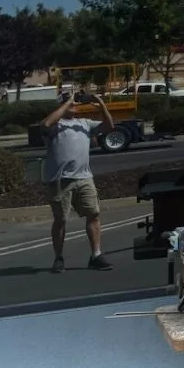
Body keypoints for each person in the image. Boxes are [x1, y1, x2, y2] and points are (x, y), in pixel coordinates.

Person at [41, 91, 115, 273]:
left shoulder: (85, 124)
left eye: (74, 102)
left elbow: (109, 126)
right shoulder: (56, 125)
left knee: (94, 214)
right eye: (69, 102)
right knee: (61, 219)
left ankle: (96, 255)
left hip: (84, 177)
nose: (74, 104)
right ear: (61, 105)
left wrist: (100, 104)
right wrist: (67, 102)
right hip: (60, 180)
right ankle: (59, 258)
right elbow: (45, 124)